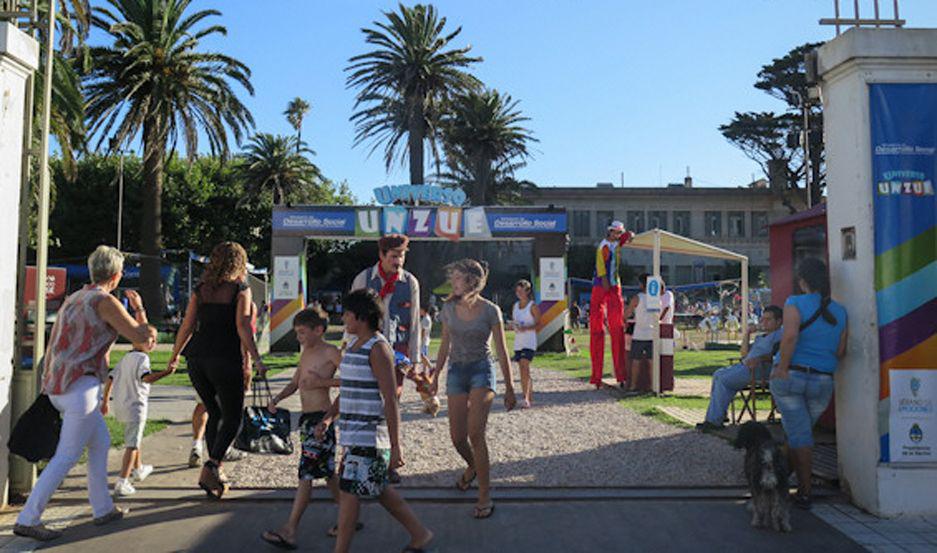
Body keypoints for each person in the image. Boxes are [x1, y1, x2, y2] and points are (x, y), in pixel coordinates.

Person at [13, 246, 157, 542]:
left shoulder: (74, 298)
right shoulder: (105, 301)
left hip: (58, 385)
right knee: (66, 456)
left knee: (100, 442)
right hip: (82, 388)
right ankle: (28, 517)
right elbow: (143, 340)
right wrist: (140, 310)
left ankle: (103, 508)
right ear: (116, 276)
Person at [318, 289, 434, 553]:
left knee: (348, 494)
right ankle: (420, 534)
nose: (344, 318)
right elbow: (348, 389)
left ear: (362, 316)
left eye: (347, 314)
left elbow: (391, 398)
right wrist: (328, 418)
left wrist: (396, 445)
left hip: (368, 434)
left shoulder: (378, 348)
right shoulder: (354, 345)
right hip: (352, 432)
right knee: (379, 489)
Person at [168, 242, 267, 499]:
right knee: (233, 417)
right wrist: (256, 359)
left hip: (197, 359)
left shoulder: (200, 290)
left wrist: (175, 354)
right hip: (225, 358)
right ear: (239, 263)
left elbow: (187, 325)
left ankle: (215, 473)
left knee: (214, 413)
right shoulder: (239, 289)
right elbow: (243, 327)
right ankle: (212, 467)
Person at [431, 259, 516, 519]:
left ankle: (484, 495)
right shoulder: (447, 308)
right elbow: (444, 344)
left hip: (482, 370)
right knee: (457, 438)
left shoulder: (491, 310)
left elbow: (502, 350)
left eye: (458, 278)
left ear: (472, 281)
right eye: (453, 278)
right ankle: (473, 467)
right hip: (457, 372)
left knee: (475, 433)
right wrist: (435, 377)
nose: (453, 282)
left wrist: (510, 387)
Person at [261, 307, 351, 549]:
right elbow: (296, 382)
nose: (299, 337)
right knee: (326, 471)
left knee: (306, 474)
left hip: (321, 419)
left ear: (318, 330)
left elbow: (351, 379)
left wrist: (322, 382)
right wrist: (277, 399)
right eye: (297, 333)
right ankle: (348, 518)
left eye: (302, 332)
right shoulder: (306, 352)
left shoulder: (330, 351)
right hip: (306, 419)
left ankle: (290, 530)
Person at [770, 258, 847, 510]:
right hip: (823, 382)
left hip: (792, 376)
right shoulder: (841, 311)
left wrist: (781, 368)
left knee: (800, 435)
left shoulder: (794, 303)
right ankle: (776, 480)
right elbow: (840, 350)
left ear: (802, 281)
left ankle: (804, 492)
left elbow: (790, 337)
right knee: (798, 433)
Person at [350, 234, 421, 398]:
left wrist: (415, 360)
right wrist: (349, 349)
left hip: (398, 349)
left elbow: (415, 322)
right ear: (382, 255)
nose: (398, 261)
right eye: (394, 256)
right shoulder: (364, 279)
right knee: (368, 394)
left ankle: (392, 424)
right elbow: (352, 316)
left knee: (393, 396)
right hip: (368, 347)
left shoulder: (410, 282)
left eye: (401, 256)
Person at [187, 300, 256, 467]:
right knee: (229, 411)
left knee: (205, 405)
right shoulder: (243, 298)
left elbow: (189, 324)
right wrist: (249, 362)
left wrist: (175, 353)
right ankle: (219, 454)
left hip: (202, 356)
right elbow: (245, 333)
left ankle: (197, 445)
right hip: (229, 358)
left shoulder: (204, 295)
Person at [101, 336, 172, 496]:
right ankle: (122, 481)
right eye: (151, 339)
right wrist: (166, 372)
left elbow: (110, 378)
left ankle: (138, 468)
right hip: (136, 407)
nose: (154, 343)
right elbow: (146, 378)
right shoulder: (143, 358)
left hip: (122, 406)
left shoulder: (125, 358)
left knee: (135, 438)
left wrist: (105, 401)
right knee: (132, 445)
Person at [696, 305, 783, 431]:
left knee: (723, 380)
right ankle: (719, 415)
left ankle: (714, 421)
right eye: (762, 319)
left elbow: (779, 355)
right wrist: (747, 333)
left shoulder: (780, 335)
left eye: (768, 319)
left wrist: (760, 358)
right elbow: (743, 354)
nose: (764, 322)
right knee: (718, 374)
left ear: (779, 321)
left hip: (759, 370)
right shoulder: (761, 337)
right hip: (745, 367)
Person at [589, 221, 634, 388]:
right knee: (597, 330)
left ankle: (620, 375)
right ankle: (597, 376)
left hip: (615, 286)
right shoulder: (604, 246)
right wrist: (604, 279)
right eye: (616, 233)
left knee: (617, 329)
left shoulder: (617, 243)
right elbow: (600, 265)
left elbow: (628, 237)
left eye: (619, 233)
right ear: (609, 232)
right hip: (602, 285)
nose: (618, 235)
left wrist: (629, 235)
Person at [511, 279, 541, 408]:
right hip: (518, 341)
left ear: (528, 291)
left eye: (521, 290)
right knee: (523, 369)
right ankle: (529, 394)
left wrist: (527, 328)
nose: (518, 293)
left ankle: (525, 398)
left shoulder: (532, 306)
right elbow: (515, 321)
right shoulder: (515, 306)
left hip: (529, 341)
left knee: (524, 366)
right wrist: (513, 326)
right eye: (517, 291)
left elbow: (539, 323)